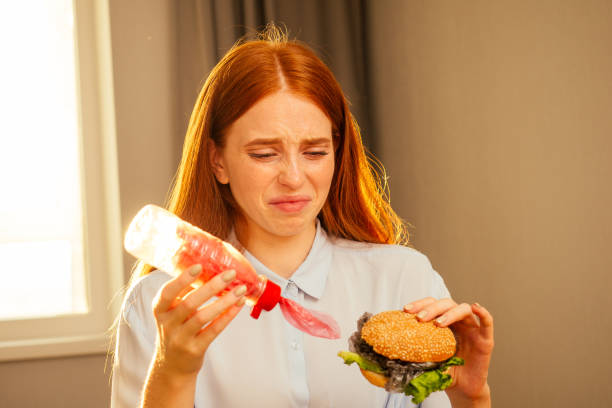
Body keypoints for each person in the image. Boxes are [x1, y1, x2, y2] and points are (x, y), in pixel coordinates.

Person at [111, 26, 494, 408]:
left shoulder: (404, 278)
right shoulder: (158, 305)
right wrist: (172, 372)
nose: (294, 178)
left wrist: (471, 398)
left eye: (314, 153)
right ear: (217, 161)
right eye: (264, 154)